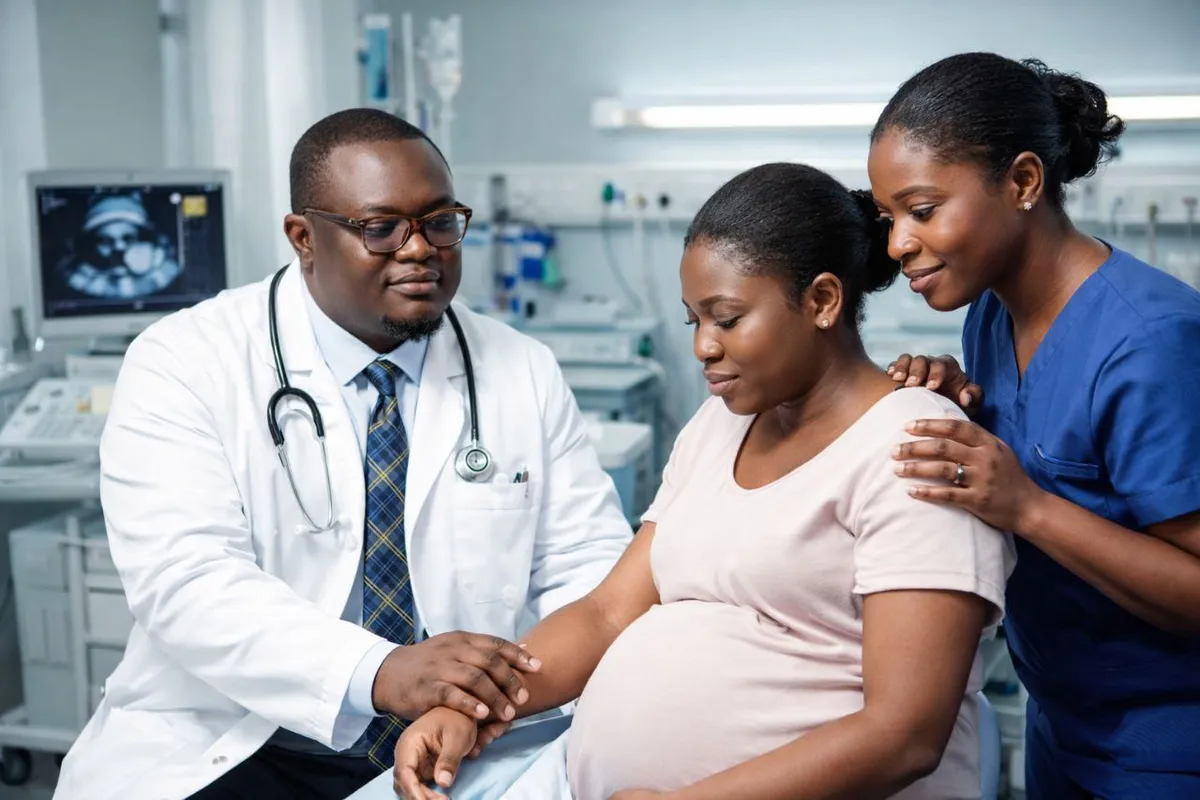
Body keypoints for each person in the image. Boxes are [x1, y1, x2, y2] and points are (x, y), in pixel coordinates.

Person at [52, 108, 632, 800]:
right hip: (241, 737)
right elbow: (188, 580)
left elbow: (589, 573)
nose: (420, 249)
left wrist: (487, 697)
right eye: (380, 228)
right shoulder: (184, 361)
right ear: (304, 237)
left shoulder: (522, 369)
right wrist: (382, 671)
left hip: (460, 734)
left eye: (441, 222)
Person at [393, 163, 1016, 800]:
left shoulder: (918, 449)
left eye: (727, 318)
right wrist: (474, 707)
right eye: (695, 321)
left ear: (823, 301)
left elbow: (904, 734)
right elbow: (607, 614)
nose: (703, 349)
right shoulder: (718, 425)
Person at [868, 52, 1200, 799]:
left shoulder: (1151, 341)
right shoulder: (991, 314)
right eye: (890, 217)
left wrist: (1026, 506)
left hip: (1166, 749)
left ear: (1022, 183)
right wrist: (964, 407)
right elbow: (1053, 444)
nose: (897, 245)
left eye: (922, 211)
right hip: (1061, 723)